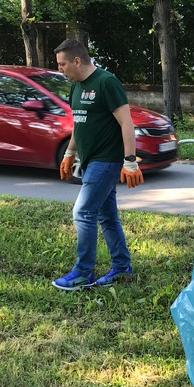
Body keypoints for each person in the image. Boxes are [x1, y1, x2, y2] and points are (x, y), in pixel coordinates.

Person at [51, 38, 144, 291]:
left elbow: (126, 123)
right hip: (90, 159)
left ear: (77, 61)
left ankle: (83, 272)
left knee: (83, 212)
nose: (60, 69)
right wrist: (69, 153)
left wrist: (130, 162)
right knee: (106, 214)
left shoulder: (106, 82)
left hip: (106, 160)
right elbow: (78, 123)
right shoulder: (76, 87)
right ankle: (122, 266)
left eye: (62, 64)